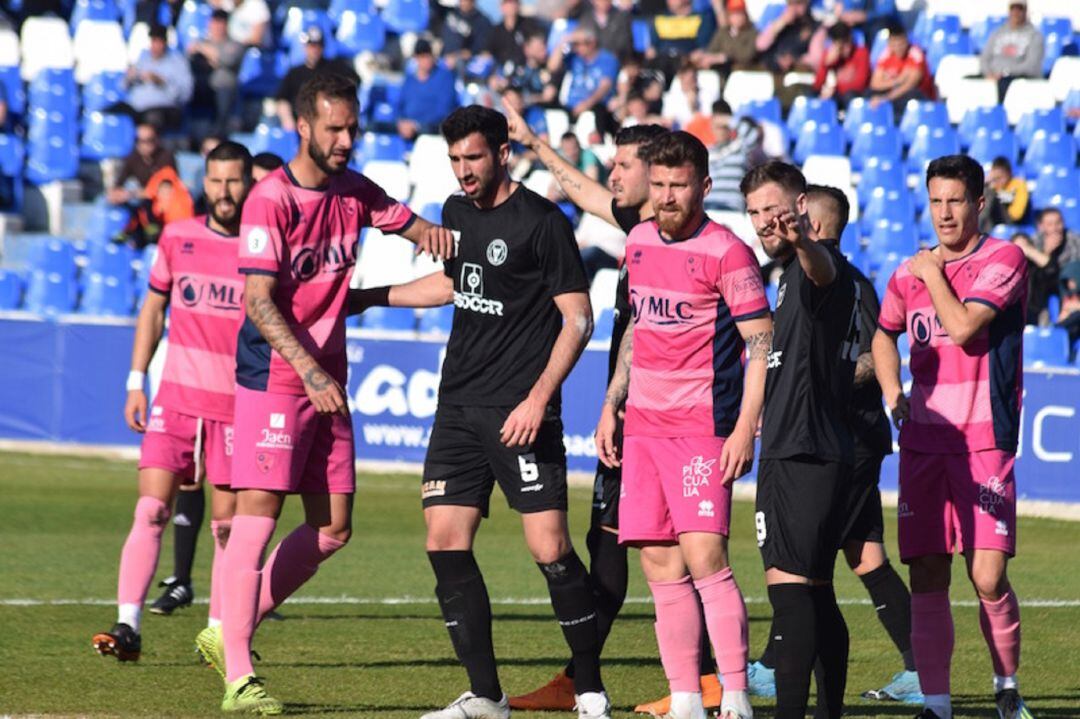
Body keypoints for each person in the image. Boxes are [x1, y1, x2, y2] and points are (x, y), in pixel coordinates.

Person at [352, 105, 610, 719]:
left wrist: (539, 399)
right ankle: (487, 696)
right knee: (443, 541)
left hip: (521, 409)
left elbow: (579, 317)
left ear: (502, 154)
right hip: (457, 406)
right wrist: (367, 298)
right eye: (455, 160)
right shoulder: (455, 211)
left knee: (549, 549)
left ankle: (590, 686)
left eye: (473, 158)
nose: (464, 171)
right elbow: (455, 285)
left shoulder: (543, 222)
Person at [217, 72, 453, 714]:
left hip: (327, 376)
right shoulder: (271, 199)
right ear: (303, 127)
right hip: (277, 373)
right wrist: (312, 371)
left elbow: (423, 232)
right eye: (334, 129)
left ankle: (229, 628)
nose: (347, 139)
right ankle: (239, 674)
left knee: (333, 528)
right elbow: (259, 303)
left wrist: (492, 243)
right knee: (257, 518)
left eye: (352, 127)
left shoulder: (355, 190)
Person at [505, 103, 705, 716]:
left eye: (623, 166)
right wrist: (537, 143)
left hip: (669, 415)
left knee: (670, 553)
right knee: (611, 545)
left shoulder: (690, 242)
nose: (612, 176)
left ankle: (704, 680)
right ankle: (584, 676)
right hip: (632, 407)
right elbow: (585, 192)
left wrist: (621, 401)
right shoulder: (638, 229)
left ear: (656, 172)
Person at [596, 132, 771, 719]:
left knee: (705, 558)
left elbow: (761, 342)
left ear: (703, 186)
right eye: (661, 185)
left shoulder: (728, 251)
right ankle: (687, 700)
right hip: (643, 427)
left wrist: (746, 427)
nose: (668, 197)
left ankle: (737, 696)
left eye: (679, 186)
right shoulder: (639, 240)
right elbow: (636, 329)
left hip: (702, 428)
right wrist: (613, 401)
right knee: (659, 567)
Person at [746, 185, 922, 705]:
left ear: (813, 225)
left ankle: (777, 666)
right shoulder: (803, 276)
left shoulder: (832, 276)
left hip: (833, 440)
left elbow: (874, 352)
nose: (769, 223)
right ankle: (912, 672)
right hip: (837, 440)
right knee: (856, 564)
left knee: (803, 579)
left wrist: (834, 378)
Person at [872, 155, 1033, 719]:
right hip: (923, 445)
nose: (944, 213)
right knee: (928, 575)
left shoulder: (1003, 259)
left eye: (955, 201)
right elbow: (883, 335)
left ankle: (1006, 686)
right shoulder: (904, 274)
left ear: (978, 204)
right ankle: (937, 706)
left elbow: (964, 327)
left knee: (987, 576)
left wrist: (933, 271)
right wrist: (895, 394)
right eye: (936, 201)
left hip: (985, 440)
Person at [91, 141, 254, 664]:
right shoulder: (179, 238)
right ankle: (128, 624)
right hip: (175, 402)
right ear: (203, 183)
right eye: (216, 181)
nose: (224, 191)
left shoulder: (260, 249)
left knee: (228, 528)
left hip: (235, 407)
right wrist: (135, 380)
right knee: (152, 508)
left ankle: (216, 635)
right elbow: (153, 310)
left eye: (233, 181)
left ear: (247, 184)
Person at [742, 160, 858, 719]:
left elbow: (823, 271)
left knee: (790, 595)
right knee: (813, 592)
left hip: (805, 451)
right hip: (798, 446)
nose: (764, 221)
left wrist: (806, 241)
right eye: (754, 213)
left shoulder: (815, 261)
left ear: (801, 205)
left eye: (772, 208)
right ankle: (828, 713)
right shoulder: (784, 272)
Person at [275, 28, 359, 132]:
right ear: (305, 47)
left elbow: (353, 82)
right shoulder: (294, 73)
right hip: (300, 126)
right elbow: (282, 100)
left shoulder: (335, 68)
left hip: (328, 124)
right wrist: (287, 121)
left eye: (318, 45)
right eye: (311, 45)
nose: (315, 49)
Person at [1013, 207, 1080, 324]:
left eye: (1058, 223)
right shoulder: (1034, 241)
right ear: (1041, 226)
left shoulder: (1074, 240)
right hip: (1041, 290)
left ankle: (1069, 310)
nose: (1055, 228)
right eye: (1050, 224)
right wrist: (1046, 252)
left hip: (1069, 286)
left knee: (1070, 270)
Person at [123, 24, 194, 130]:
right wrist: (130, 77)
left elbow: (185, 95)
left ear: (165, 42)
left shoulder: (178, 62)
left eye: (158, 42)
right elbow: (124, 86)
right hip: (137, 107)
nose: (155, 45)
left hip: (164, 108)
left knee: (152, 119)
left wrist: (161, 82)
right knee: (114, 114)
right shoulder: (143, 58)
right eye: (153, 41)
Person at [188, 8, 245, 135]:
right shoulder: (201, 42)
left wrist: (205, 51)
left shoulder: (234, 44)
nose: (218, 27)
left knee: (223, 96)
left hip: (223, 89)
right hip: (201, 88)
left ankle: (217, 134)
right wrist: (212, 57)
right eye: (215, 22)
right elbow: (193, 60)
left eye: (221, 23)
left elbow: (228, 60)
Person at [704, 101, 765, 212]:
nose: (720, 130)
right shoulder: (705, 151)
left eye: (724, 127)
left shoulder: (740, 147)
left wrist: (727, 119)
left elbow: (753, 135)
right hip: (709, 208)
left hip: (733, 210)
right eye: (717, 126)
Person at [868, 20, 934, 118]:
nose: (898, 48)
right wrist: (897, 81)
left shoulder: (915, 54)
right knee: (869, 95)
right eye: (895, 45)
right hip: (895, 93)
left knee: (909, 96)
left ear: (906, 41)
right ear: (889, 43)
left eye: (901, 44)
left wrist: (885, 98)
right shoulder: (886, 55)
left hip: (916, 97)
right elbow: (875, 84)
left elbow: (909, 85)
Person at [397, 39, 460, 140]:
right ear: (416, 58)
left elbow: (445, 110)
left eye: (428, 56)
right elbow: (400, 107)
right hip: (408, 132)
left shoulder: (445, 77)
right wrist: (401, 122)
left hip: (434, 134)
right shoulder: (409, 80)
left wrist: (417, 125)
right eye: (422, 57)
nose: (426, 60)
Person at [980, 0, 1044, 98]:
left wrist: (1005, 72)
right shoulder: (997, 33)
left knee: (1003, 85)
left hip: (1017, 78)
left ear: (1025, 11)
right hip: (994, 76)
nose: (1016, 12)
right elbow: (985, 58)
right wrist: (989, 74)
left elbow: (1031, 65)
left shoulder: (1035, 35)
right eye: (1013, 9)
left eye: (1019, 9)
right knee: (968, 81)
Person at [754, 0, 824, 75]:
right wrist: (781, 23)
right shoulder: (779, 23)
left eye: (798, 3)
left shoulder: (815, 27)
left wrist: (795, 60)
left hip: (798, 78)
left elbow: (816, 58)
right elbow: (760, 45)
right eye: (790, 3)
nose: (794, 8)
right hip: (772, 76)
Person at [691, 0, 759, 75]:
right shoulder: (723, 32)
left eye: (740, 13)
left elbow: (746, 55)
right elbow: (712, 49)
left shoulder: (752, 32)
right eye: (734, 14)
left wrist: (724, 58)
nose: (737, 18)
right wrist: (703, 55)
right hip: (721, 71)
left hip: (744, 72)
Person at [813, 22, 870, 106]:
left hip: (853, 97)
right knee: (811, 96)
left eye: (847, 43)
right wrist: (826, 65)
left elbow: (860, 85)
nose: (845, 48)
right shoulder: (829, 55)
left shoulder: (861, 53)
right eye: (841, 45)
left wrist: (835, 90)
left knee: (849, 95)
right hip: (834, 96)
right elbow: (817, 85)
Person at [484, 0, 546, 67]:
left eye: (514, 2)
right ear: (501, 7)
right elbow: (486, 53)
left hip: (526, 70)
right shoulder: (494, 31)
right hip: (501, 72)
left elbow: (539, 47)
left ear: (519, 5)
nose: (511, 6)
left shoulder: (530, 25)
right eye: (507, 3)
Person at [980, 157, 1030, 233]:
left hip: (1009, 221)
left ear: (1009, 174)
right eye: (995, 178)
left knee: (990, 194)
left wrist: (998, 195)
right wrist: (985, 183)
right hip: (990, 220)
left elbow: (1016, 214)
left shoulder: (1018, 184)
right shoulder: (991, 185)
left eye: (1001, 177)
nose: (998, 181)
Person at [440, 0, 494, 69]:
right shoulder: (450, 14)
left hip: (466, 64)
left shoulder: (483, 21)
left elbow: (478, 48)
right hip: (444, 60)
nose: (463, 2)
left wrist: (458, 56)